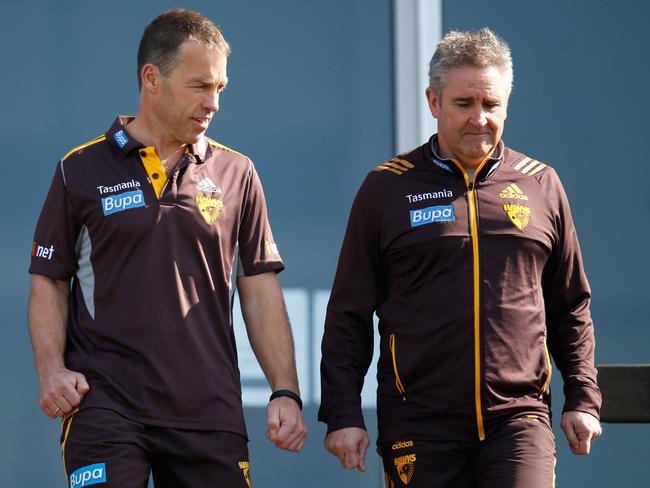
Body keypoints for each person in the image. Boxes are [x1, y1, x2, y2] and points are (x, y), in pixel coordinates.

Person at [28, 8, 306, 487]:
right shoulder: (80, 169)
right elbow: (49, 280)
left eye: (220, 88)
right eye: (199, 86)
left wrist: (286, 390)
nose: (213, 102)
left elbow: (259, 290)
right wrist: (52, 370)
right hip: (106, 404)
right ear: (151, 78)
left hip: (208, 410)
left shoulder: (238, 173)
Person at [319, 28, 601, 487]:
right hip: (419, 423)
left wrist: (583, 398)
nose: (480, 119)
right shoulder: (387, 187)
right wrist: (344, 414)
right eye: (464, 104)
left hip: (519, 419)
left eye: (491, 105)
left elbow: (571, 304)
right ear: (434, 102)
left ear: (506, 104)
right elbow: (348, 313)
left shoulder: (541, 184)